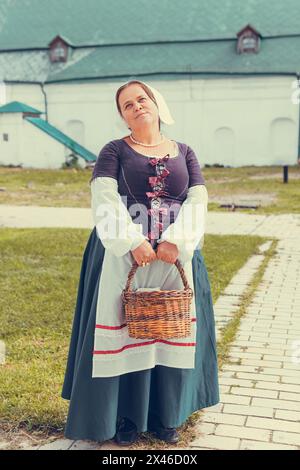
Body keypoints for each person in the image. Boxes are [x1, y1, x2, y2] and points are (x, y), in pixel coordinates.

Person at [61, 79, 220, 446]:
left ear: (156, 103)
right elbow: (103, 196)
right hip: (123, 256)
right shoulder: (114, 150)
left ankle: (167, 416)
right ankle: (123, 416)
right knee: (124, 331)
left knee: (169, 330)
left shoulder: (186, 152)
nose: (136, 106)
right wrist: (133, 241)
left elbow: (198, 199)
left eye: (141, 99)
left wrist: (176, 242)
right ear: (123, 116)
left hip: (174, 257)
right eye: (127, 105)